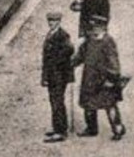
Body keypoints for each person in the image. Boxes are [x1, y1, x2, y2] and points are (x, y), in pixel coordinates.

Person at [73, 15, 127, 140]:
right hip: (89, 79)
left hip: (105, 80)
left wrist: (112, 78)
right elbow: (80, 56)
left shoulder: (108, 41)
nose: (95, 30)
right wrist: (71, 64)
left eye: (98, 27)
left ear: (104, 28)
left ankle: (117, 129)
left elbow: (114, 62)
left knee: (110, 105)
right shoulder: (88, 41)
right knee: (88, 104)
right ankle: (91, 128)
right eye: (93, 27)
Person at [40, 12, 75, 143]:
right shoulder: (51, 34)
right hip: (52, 74)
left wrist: (57, 62)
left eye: (54, 21)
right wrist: (44, 76)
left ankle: (60, 131)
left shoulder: (63, 35)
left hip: (59, 75)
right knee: (54, 101)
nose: (51, 23)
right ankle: (57, 128)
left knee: (57, 102)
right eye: (49, 21)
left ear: (59, 21)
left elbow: (70, 50)